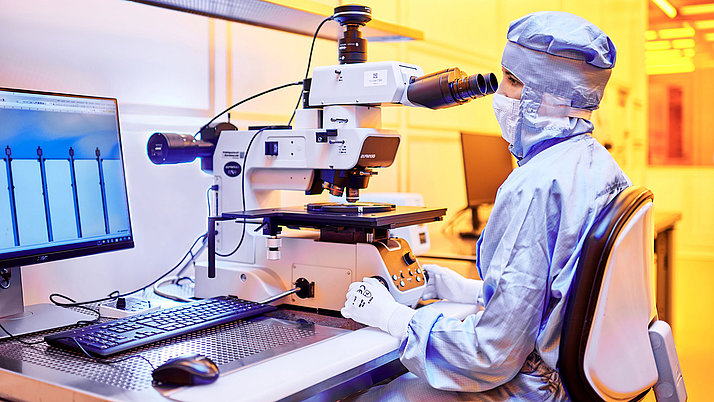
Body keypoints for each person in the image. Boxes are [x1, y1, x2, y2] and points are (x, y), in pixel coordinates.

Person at [341, 11, 632, 401]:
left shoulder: (536, 187)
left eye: (512, 82)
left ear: (549, 96)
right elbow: (555, 297)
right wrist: (465, 289)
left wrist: (392, 317)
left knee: (372, 395)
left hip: (533, 390)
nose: (499, 96)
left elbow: (490, 354)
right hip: (581, 383)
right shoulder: (597, 164)